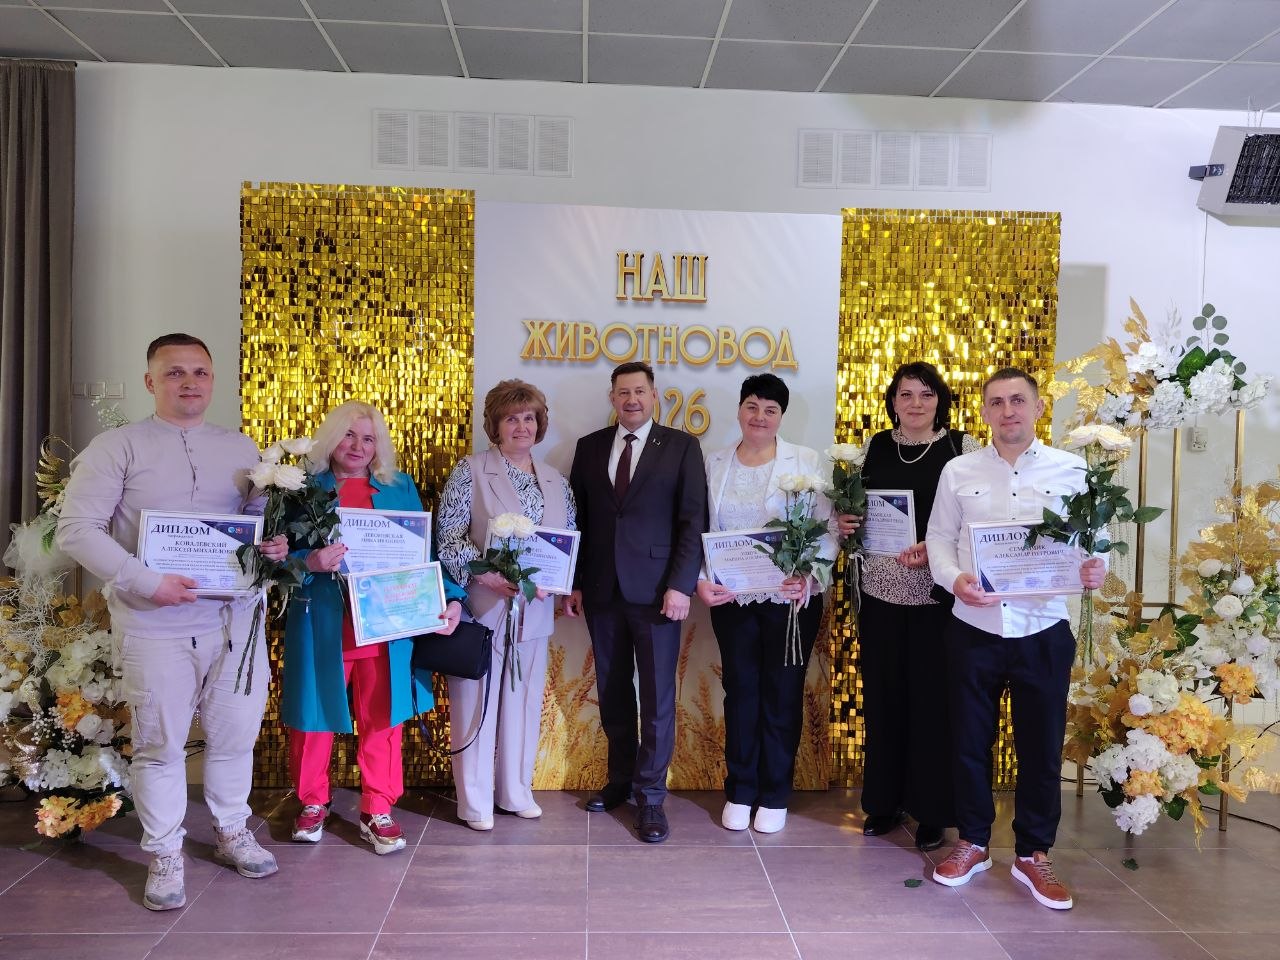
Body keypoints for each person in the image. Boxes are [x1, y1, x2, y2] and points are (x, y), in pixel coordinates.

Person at [57, 333, 289, 911]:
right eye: (175, 372)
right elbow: (76, 530)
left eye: (200, 372)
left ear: (213, 379)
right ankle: (164, 853)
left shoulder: (240, 446)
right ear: (150, 382)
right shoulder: (118, 447)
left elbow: (253, 523)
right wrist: (146, 581)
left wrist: (273, 545)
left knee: (235, 736)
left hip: (235, 620)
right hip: (153, 621)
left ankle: (232, 830)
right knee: (160, 744)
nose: (190, 382)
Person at [925, 367, 1105, 910]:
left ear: (1038, 407)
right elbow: (939, 539)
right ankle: (973, 841)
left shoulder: (1072, 469)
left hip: (1043, 629)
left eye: (1018, 400)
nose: (1008, 411)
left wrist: (1095, 566)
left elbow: (1095, 540)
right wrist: (954, 579)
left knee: (1041, 746)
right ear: (984, 412)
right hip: (973, 627)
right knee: (967, 741)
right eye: (997, 402)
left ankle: (1033, 853)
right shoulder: (958, 470)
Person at [282, 401, 464, 854]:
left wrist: (451, 598)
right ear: (331, 438)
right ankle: (312, 800)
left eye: (368, 438)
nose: (358, 446)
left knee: (383, 716)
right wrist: (308, 561)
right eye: (348, 435)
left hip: (386, 623)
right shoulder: (301, 487)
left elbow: (425, 553)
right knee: (313, 713)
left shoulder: (399, 487)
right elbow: (275, 556)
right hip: (323, 621)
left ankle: (377, 807)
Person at [835, 362, 979, 852]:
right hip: (880, 590)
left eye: (926, 394)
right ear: (892, 401)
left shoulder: (962, 449)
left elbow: (977, 519)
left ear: (941, 400)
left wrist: (934, 548)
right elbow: (853, 512)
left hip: (938, 594)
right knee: (884, 696)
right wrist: (846, 523)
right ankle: (883, 802)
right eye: (905, 394)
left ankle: (933, 811)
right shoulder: (873, 447)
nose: (916, 403)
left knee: (934, 703)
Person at [564, 361, 708, 843]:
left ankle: (651, 797)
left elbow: (693, 521)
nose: (631, 400)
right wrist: (575, 581)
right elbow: (579, 521)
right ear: (612, 398)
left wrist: (680, 585)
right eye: (623, 392)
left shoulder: (682, 447)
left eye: (640, 391)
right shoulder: (589, 447)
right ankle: (621, 780)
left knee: (657, 698)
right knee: (613, 692)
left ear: (654, 395)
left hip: (659, 594)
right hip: (602, 591)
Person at [696, 374, 836, 834]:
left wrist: (810, 577)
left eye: (770, 410)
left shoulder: (806, 461)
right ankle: (740, 790)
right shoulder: (714, 462)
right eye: (752, 406)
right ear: (739, 409)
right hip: (732, 598)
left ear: (781, 416)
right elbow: (699, 527)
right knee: (740, 692)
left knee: (782, 693)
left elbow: (828, 530)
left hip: (790, 600)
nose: (760, 417)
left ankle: (774, 794)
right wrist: (701, 579)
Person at [436, 379, 575, 831]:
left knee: (524, 702)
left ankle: (515, 791)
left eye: (529, 418)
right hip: (482, 609)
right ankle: (474, 802)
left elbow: (565, 543)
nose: (521, 426)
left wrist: (557, 581)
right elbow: (448, 538)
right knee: (476, 704)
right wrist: (484, 574)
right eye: (511, 418)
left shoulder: (556, 480)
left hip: (534, 612)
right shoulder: (471, 471)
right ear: (495, 425)